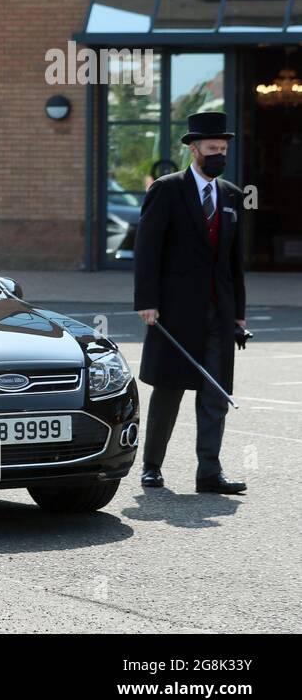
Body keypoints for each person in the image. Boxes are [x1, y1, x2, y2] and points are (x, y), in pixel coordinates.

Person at [134, 111, 247, 495]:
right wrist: (147, 301)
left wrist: (240, 315)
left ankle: (209, 473)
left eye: (224, 149)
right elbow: (147, 250)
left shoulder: (231, 195)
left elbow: (234, 261)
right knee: (168, 389)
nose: (219, 154)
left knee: (215, 392)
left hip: (219, 311)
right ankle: (152, 467)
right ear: (194, 149)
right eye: (213, 148)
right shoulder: (166, 189)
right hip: (174, 310)